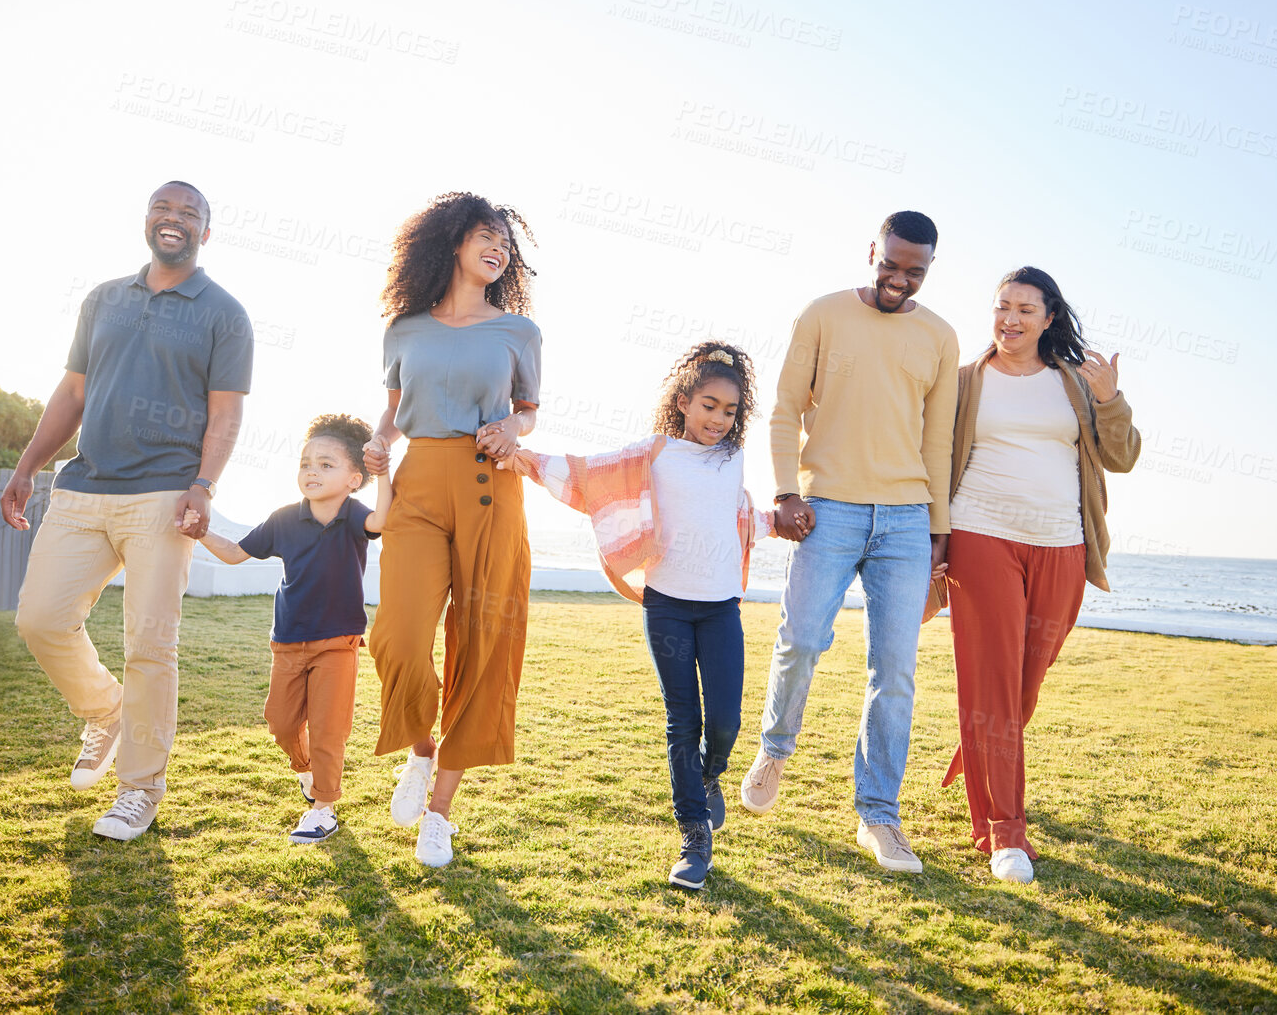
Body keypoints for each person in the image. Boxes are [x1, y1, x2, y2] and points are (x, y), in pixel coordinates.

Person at [2, 180, 253, 841]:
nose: (174, 220)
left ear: (206, 229)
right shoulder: (103, 299)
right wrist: (27, 465)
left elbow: (226, 411)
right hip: (83, 487)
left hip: (166, 494)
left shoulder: (224, 313)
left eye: (189, 212)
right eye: (163, 209)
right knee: (39, 617)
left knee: (150, 645)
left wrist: (203, 484)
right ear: (146, 219)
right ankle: (104, 709)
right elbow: (73, 390)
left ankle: (139, 789)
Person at [514, 341, 779, 889]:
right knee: (684, 720)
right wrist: (522, 458)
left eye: (730, 412)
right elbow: (590, 476)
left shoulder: (734, 458)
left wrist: (783, 521)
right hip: (668, 606)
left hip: (721, 605)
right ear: (683, 401)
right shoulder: (654, 452)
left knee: (725, 721)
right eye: (708, 405)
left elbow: (738, 514)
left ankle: (711, 776)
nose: (718, 419)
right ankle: (694, 836)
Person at [740, 210, 958, 875]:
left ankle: (878, 817)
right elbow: (782, 407)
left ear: (927, 269)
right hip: (826, 508)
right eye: (888, 263)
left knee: (893, 671)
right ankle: (775, 747)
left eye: (912, 270)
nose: (898, 278)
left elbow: (937, 440)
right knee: (802, 637)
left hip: (905, 519)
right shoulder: (822, 314)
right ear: (872, 251)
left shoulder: (939, 337)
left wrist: (939, 531)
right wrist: (784, 491)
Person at [936, 266, 1140, 884]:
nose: (1011, 319)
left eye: (1026, 309)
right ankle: (1004, 832)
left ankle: (978, 754)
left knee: (1024, 682)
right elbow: (929, 449)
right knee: (993, 682)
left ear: (1049, 318)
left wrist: (1110, 399)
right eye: (1003, 307)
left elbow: (1121, 456)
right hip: (980, 536)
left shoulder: (1075, 383)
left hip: (1062, 545)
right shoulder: (967, 380)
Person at [361, 191, 541, 869]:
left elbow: (526, 412)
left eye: (504, 243)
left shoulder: (518, 332)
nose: (496, 249)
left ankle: (439, 812)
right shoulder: (404, 327)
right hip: (419, 480)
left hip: (489, 481)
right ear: (451, 243)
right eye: (484, 237)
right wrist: (377, 444)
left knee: (482, 641)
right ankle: (420, 747)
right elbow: (393, 412)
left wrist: (510, 427)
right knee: (398, 636)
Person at [186, 414, 388, 843]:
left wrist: (385, 474)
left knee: (329, 730)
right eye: (305, 462)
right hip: (288, 643)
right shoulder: (283, 520)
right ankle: (307, 772)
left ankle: (324, 808)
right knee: (279, 723)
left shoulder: (355, 516)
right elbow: (235, 553)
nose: (311, 471)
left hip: (338, 644)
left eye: (326, 464)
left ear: (355, 478)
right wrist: (201, 532)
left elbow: (383, 522)